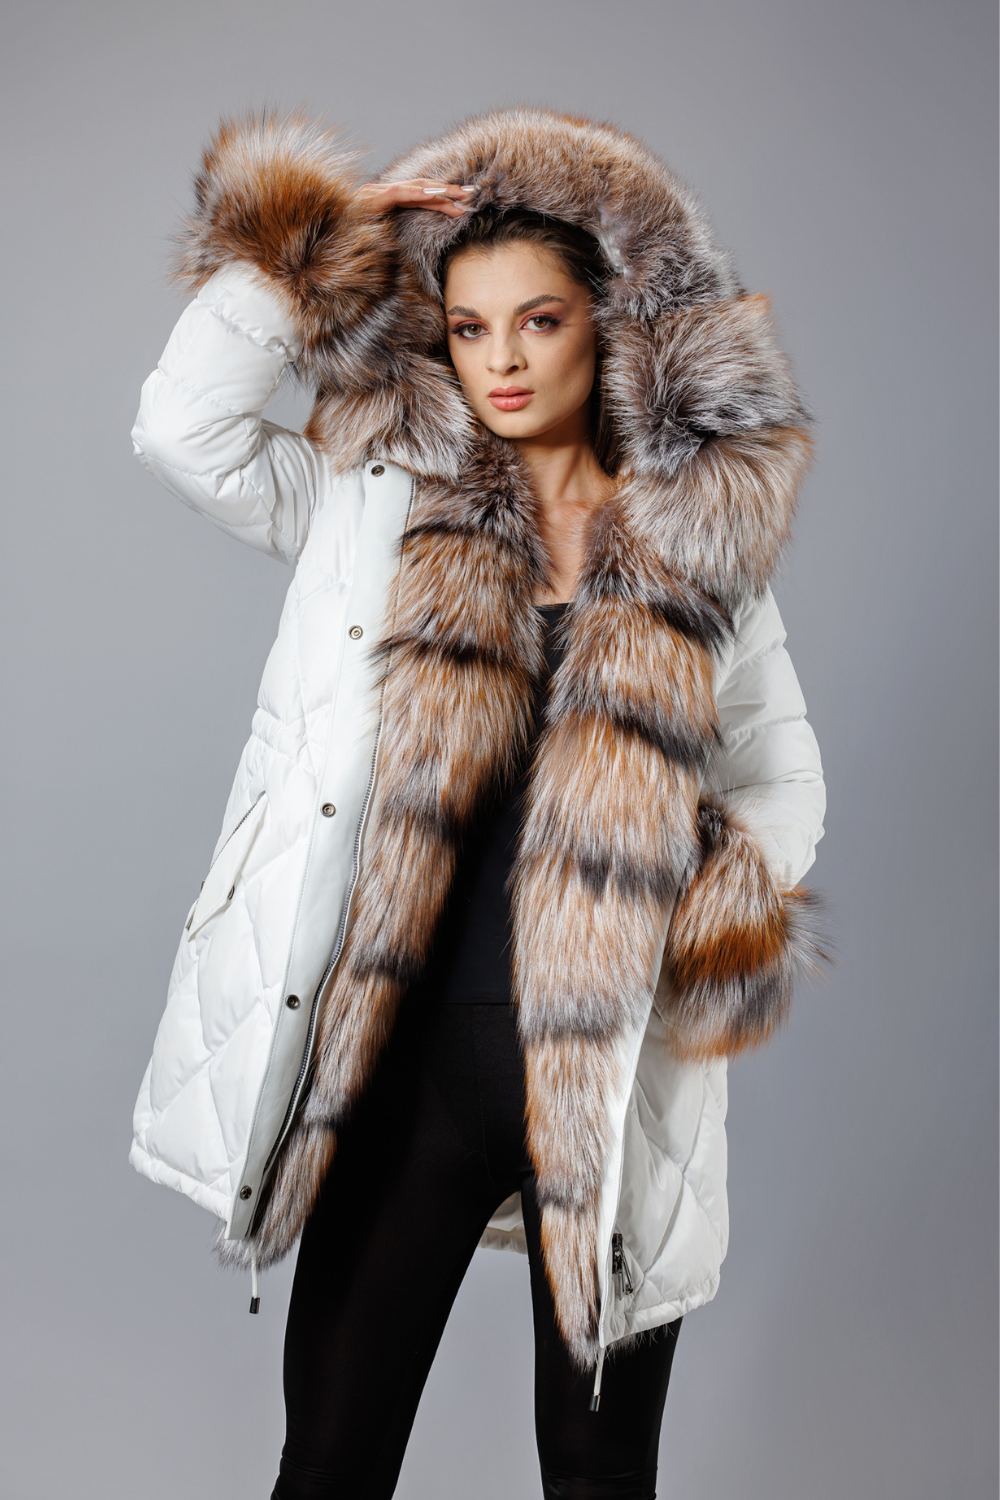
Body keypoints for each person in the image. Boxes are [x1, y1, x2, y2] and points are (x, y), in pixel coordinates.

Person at [129, 108, 826, 1500]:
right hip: (408, 1079)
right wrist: (322, 245)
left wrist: (700, 895)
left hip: (611, 1089)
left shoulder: (692, 553)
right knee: (330, 1461)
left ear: (604, 328)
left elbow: (781, 779)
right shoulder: (378, 511)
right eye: (468, 328)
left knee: (599, 1479)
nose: (501, 360)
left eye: (539, 323)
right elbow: (182, 433)